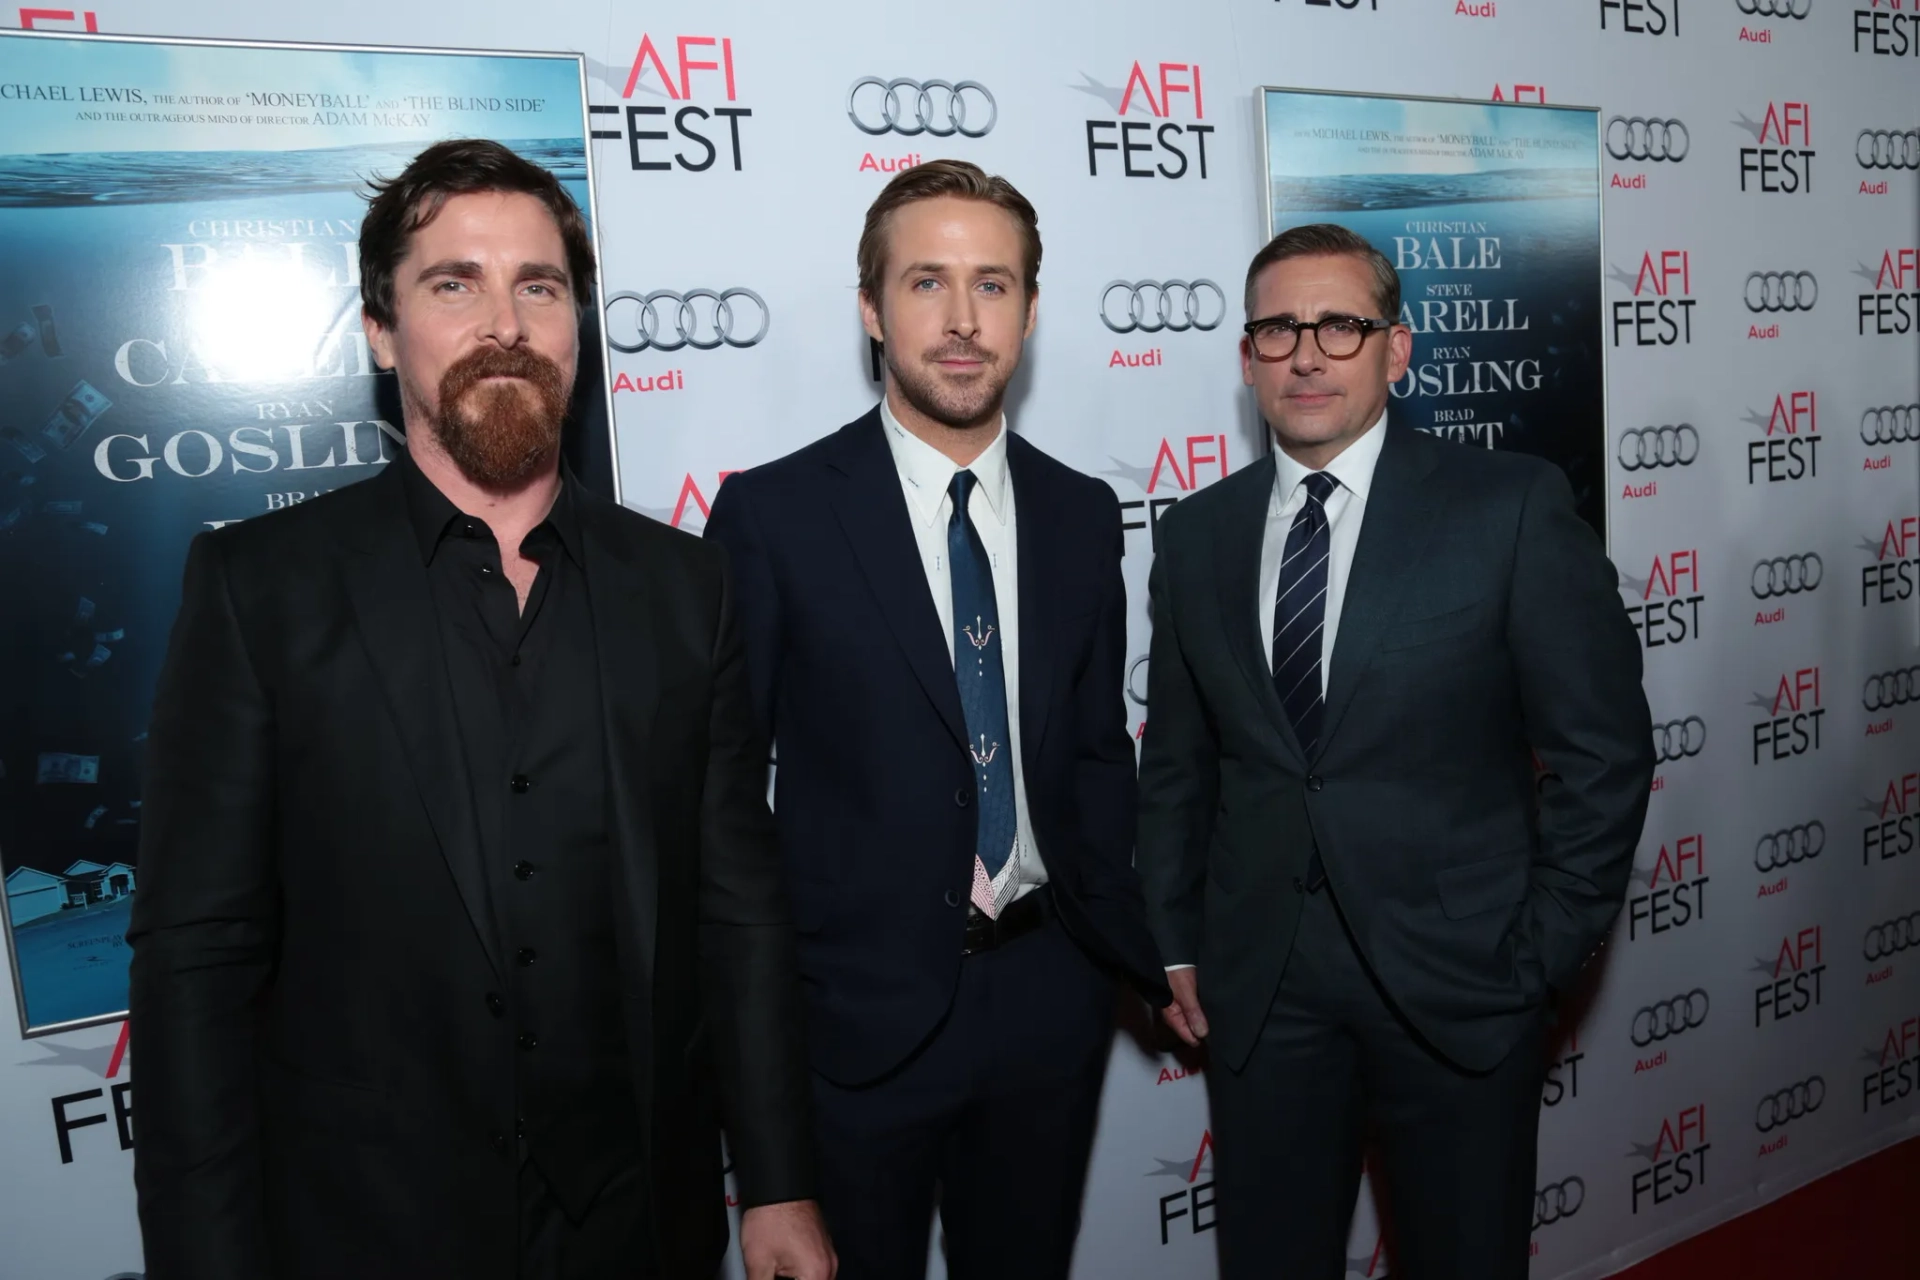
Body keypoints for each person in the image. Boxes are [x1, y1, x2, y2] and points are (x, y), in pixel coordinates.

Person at [127, 138, 833, 1280]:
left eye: (538, 286)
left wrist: (781, 1179)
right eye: (453, 283)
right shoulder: (260, 587)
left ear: (577, 325)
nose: (504, 322)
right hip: (365, 1229)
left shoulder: (683, 585)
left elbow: (737, 910)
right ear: (378, 327)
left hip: (637, 1221)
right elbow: (194, 963)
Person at [1136, 222, 1653, 1280]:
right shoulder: (1195, 535)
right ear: (1246, 356)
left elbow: (1604, 754)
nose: (1308, 353)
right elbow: (1181, 766)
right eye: (1278, 328)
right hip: (1262, 988)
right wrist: (1176, 942)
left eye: (1341, 324)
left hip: (1462, 986)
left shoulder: (1508, 507)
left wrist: (1537, 958)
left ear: (1397, 348)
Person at [702, 160, 1170, 1280]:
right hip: (854, 1024)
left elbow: (1097, 752)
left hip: (1051, 1004)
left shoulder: (1081, 509)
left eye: (994, 285)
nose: (963, 321)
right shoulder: (773, 515)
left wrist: (1147, 951)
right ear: (871, 307)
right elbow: (721, 807)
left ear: (1032, 308)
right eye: (926, 283)